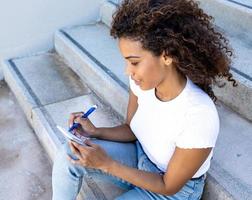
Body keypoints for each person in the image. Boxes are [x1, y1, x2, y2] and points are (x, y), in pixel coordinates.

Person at [52, 0, 237, 199]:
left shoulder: (199, 114)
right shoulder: (144, 84)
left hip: (172, 191)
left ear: (167, 55)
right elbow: (132, 129)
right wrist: (95, 131)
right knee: (68, 154)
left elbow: (169, 185)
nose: (128, 71)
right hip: (140, 156)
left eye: (134, 62)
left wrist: (106, 164)